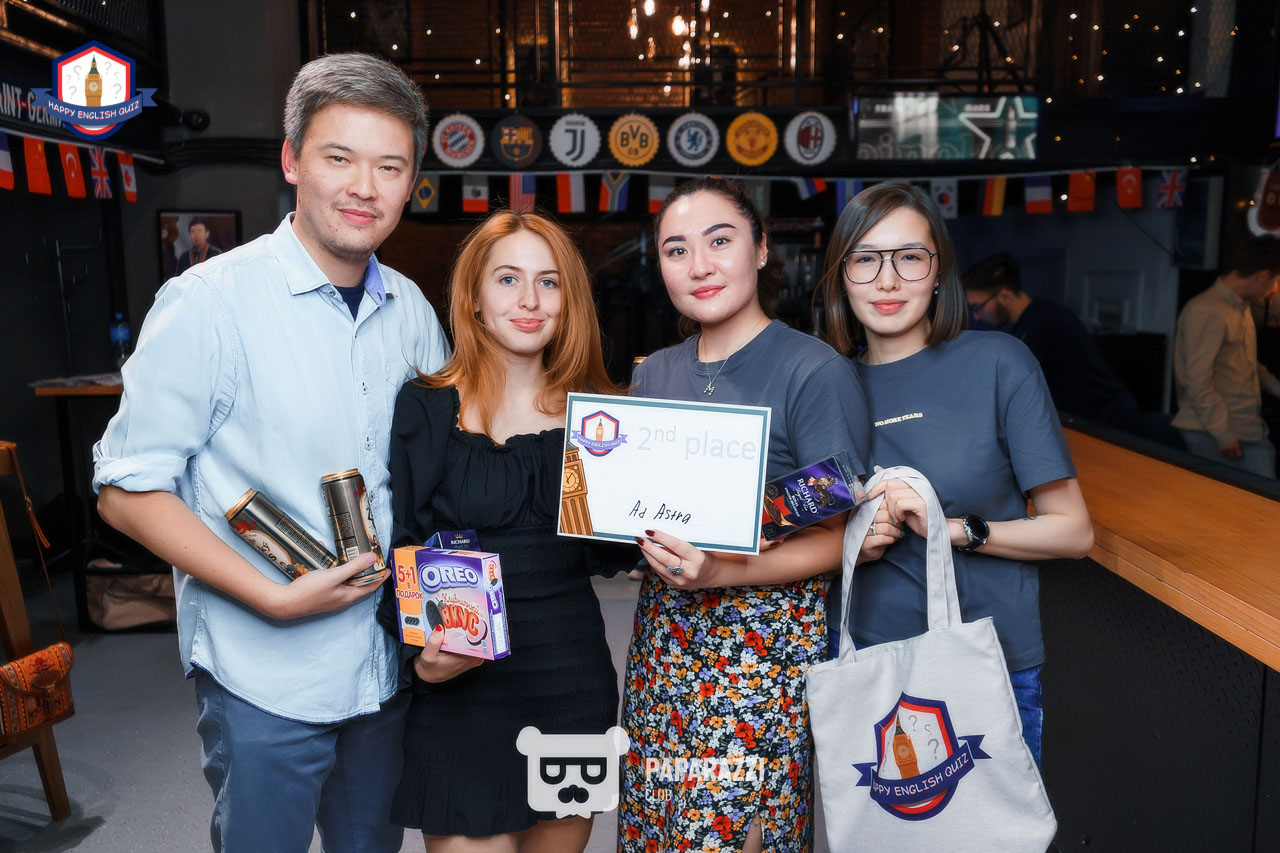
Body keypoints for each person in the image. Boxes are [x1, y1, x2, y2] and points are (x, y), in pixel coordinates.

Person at [92, 53, 448, 852]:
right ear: (292, 161)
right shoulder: (208, 303)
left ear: (410, 183)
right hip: (263, 671)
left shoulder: (412, 309)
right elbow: (124, 489)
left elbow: (434, 472)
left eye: (390, 166)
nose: (364, 187)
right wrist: (272, 596)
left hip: (385, 663)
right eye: (339, 158)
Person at [620, 177, 872, 853]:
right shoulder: (653, 373)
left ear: (760, 250)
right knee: (656, 826)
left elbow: (842, 538)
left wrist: (721, 571)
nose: (698, 265)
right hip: (664, 639)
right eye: (676, 250)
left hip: (762, 645)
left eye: (719, 241)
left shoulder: (814, 371)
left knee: (736, 835)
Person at [818, 181, 1094, 766]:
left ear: (939, 271)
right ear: (841, 276)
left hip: (989, 662)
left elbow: (1073, 531)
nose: (887, 281)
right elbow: (792, 523)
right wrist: (849, 539)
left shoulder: (999, 362)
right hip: (866, 660)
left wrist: (953, 529)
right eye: (865, 260)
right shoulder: (823, 385)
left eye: (909, 257)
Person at [381, 209, 632, 852]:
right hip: (460, 690)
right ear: (474, 297)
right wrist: (421, 661)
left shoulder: (599, 416)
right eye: (508, 279)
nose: (530, 301)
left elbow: (615, 551)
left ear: (567, 302)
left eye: (549, 282)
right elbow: (401, 545)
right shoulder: (425, 406)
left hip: (570, 679)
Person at [964, 252, 1182, 447]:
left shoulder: (1043, 324)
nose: (976, 316)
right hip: (1094, 427)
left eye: (977, 307)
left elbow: (1015, 394)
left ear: (1004, 296)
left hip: (1111, 429)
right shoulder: (1035, 320)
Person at [1172, 235, 1280, 478]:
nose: (1274, 289)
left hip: (1244, 429)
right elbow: (1197, 381)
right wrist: (1223, 434)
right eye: (1275, 281)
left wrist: (1276, 387)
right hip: (1215, 433)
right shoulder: (1208, 310)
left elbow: (1243, 363)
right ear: (1262, 276)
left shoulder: (1239, 307)